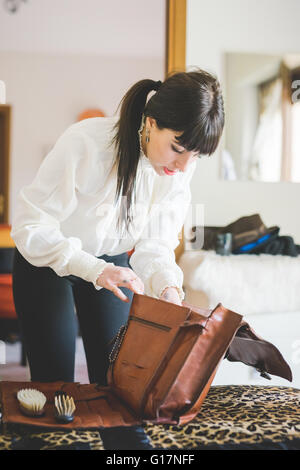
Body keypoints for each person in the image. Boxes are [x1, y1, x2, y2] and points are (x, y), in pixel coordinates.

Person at [10, 68, 224, 449]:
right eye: (177, 147)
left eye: (196, 156)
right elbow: (30, 224)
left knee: (118, 385)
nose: (184, 166)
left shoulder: (175, 171)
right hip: (47, 261)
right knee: (58, 388)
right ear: (151, 122)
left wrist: (170, 290)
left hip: (111, 266)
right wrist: (92, 268)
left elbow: (156, 243)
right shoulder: (87, 144)